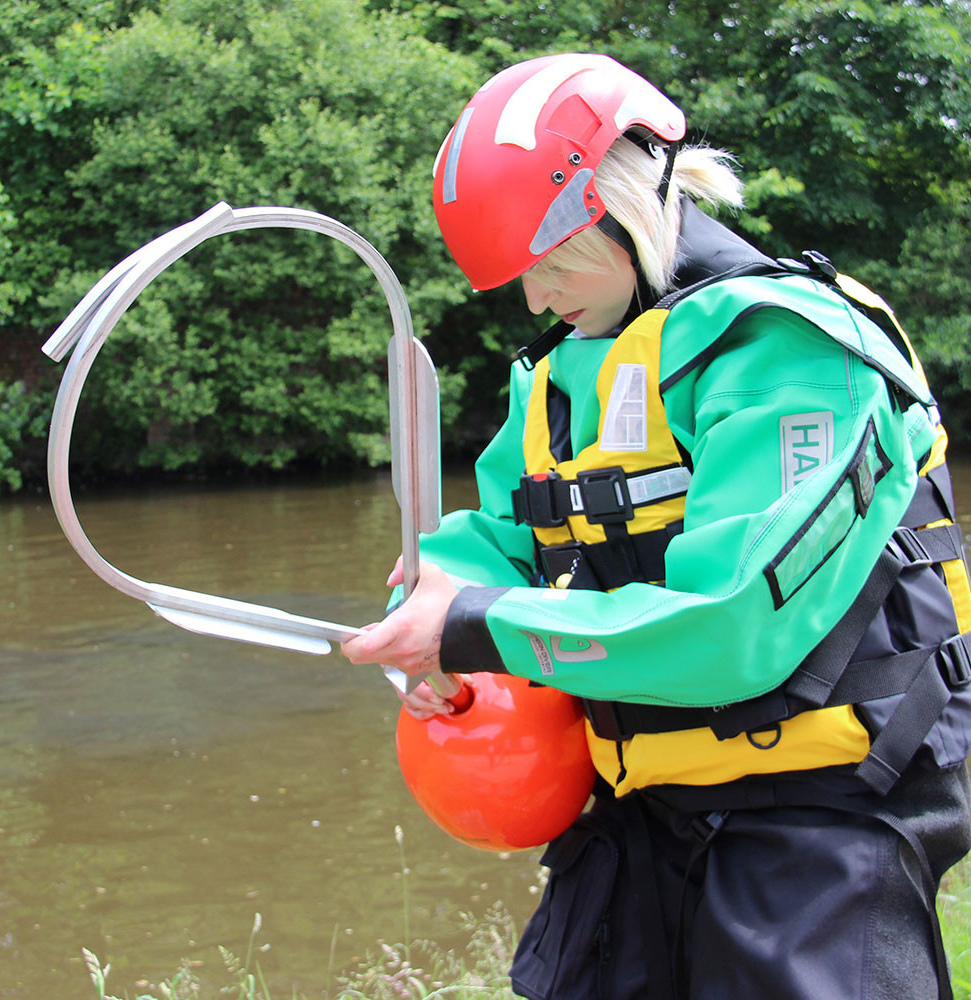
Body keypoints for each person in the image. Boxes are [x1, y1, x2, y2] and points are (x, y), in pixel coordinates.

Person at [341, 52, 971, 999]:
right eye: (522, 276)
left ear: (624, 204)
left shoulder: (794, 354)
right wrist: (435, 601)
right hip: (642, 814)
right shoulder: (562, 374)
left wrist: (479, 627)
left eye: (553, 265)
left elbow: (732, 620)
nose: (538, 299)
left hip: (821, 814)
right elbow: (509, 533)